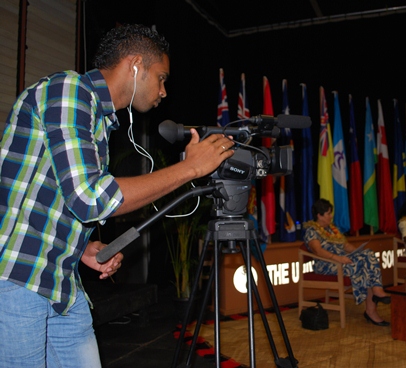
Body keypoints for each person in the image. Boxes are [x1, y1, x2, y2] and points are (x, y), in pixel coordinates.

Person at [0, 24, 234, 367]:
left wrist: (81, 249)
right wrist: (190, 169)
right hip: (18, 278)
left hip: (60, 281)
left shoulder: (99, 120)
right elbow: (90, 197)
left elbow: (52, 198)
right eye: (162, 77)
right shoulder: (68, 90)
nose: (164, 91)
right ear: (136, 64)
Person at [303, 199, 391, 326]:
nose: (331, 216)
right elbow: (317, 251)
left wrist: (358, 252)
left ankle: (376, 292)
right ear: (319, 215)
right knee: (362, 266)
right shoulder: (311, 231)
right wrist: (338, 258)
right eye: (328, 213)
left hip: (342, 261)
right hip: (326, 264)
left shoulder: (332, 230)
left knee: (368, 254)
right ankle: (371, 310)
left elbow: (346, 246)